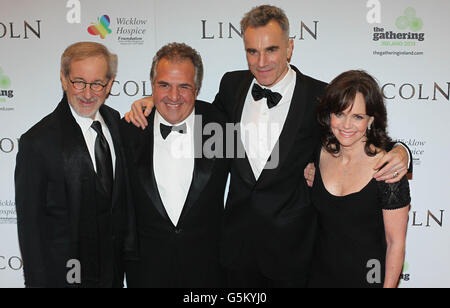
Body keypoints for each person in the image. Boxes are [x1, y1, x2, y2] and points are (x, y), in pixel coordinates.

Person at [125, 5, 411, 287]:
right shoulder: (231, 85)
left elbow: (356, 132)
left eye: (271, 49)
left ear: (289, 47)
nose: (261, 62)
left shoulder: (318, 96)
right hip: (235, 254)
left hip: (293, 254)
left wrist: (402, 152)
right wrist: (154, 102)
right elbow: (192, 111)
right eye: (252, 51)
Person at [15, 42, 136, 288]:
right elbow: (30, 230)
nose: (87, 93)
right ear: (63, 79)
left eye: (97, 83)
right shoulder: (38, 142)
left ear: (110, 84)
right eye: (78, 81)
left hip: (112, 276)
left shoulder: (116, 123)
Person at [121, 43, 230, 288]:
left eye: (184, 86)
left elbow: (265, 164)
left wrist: (310, 165)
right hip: (146, 270)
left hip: (208, 270)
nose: (173, 96)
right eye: (164, 85)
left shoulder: (221, 127)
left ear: (197, 89)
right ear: (152, 84)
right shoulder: (128, 130)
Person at [308, 70, 410, 288]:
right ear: (329, 115)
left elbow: (395, 243)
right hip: (318, 277)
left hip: (367, 279)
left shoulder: (388, 167)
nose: (346, 126)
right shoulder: (317, 152)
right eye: (339, 114)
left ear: (371, 119)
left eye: (357, 117)